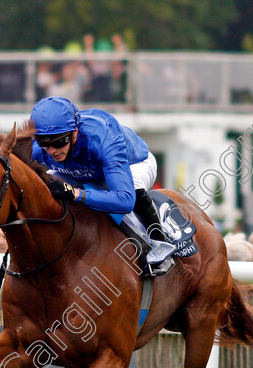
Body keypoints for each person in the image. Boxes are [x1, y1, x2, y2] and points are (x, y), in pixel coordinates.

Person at [29, 96, 169, 275]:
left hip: (133, 165)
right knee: (44, 185)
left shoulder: (103, 140)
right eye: (44, 143)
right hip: (81, 170)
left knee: (132, 186)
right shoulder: (39, 148)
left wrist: (76, 194)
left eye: (58, 142)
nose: (52, 151)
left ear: (75, 133)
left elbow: (125, 201)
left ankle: (159, 243)